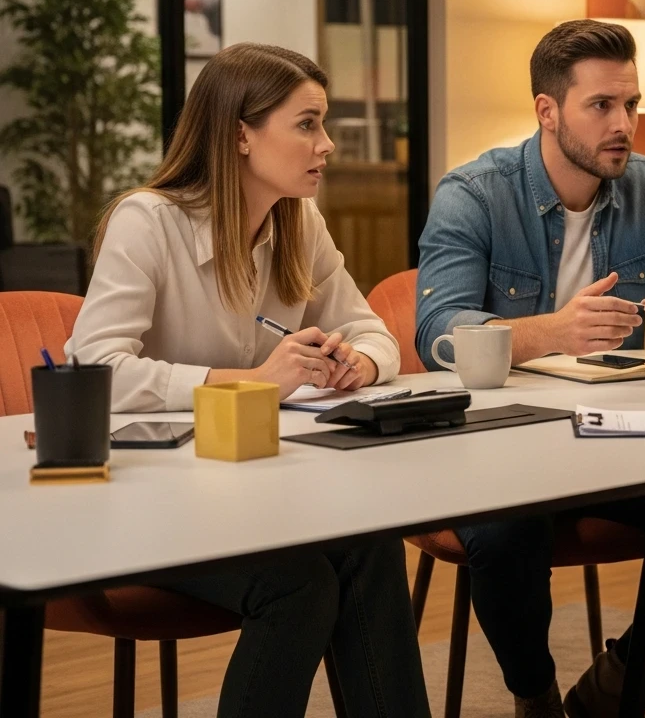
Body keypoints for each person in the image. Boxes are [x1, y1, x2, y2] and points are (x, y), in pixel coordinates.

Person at [416, 19, 645, 718]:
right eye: (602, 106)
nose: (625, 125)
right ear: (547, 111)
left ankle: (617, 684)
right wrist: (552, 331)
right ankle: (537, 700)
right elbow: (438, 333)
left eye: (632, 105)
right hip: (501, 450)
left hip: (612, 443)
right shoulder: (473, 192)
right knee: (505, 533)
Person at [66, 43, 430, 718]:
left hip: (255, 495)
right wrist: (253, 380)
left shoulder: (299, 221)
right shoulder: (147, 222)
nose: (326, 145)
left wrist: (363, 361)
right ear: (240, 133)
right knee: (299, 587)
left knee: (371, 545)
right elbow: (94, 370)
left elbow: (371, 326)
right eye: (307, 124)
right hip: (145, 505)